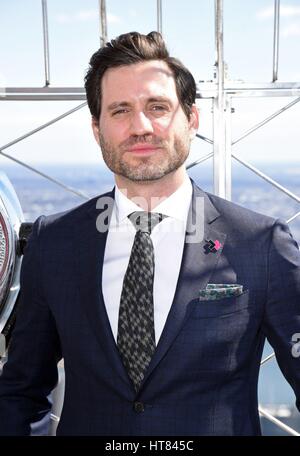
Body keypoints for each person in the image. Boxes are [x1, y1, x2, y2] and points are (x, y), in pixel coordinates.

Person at [0, 31, 299, 436]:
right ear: (97, 128)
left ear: (191, 119)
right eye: (120, 111)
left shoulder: (261, 244)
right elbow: (20, 392)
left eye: (157, 107)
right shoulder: (53, 243)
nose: (140, 127)